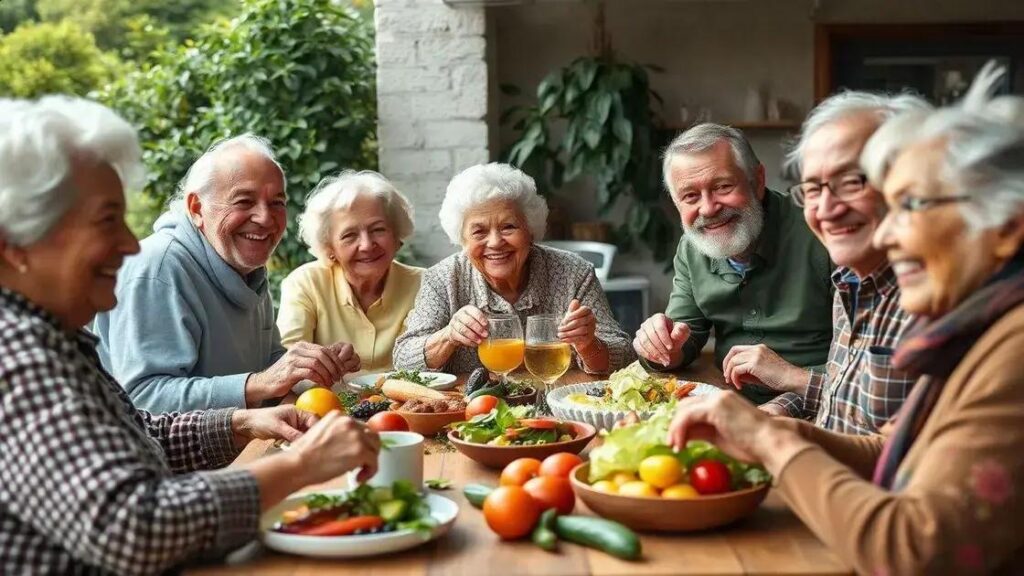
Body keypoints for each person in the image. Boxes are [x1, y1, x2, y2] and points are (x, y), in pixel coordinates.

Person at [0, 96, 380, 575]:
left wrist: (239, 424)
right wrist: (298, 466)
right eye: (105, 220)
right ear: (14, 246)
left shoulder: (52, 334)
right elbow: (133, 527)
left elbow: (135, 426)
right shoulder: (17, 355)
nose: (130, 243)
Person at [666, 77, 1024, 574]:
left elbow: (915, 552)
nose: (890, 233)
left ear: (1006, 227)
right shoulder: (930, 307)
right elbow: (891, 446)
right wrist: (758, 429)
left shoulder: (1005, 341)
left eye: (910, 205)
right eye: (812, 188)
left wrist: (771, 441)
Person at [93, 134, 359, 413]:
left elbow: (267, 363)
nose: (265, 219)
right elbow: (144, 399)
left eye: (277, 203)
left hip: (234, 447)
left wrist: (311, 366)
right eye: (244, 201)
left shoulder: (243, 262)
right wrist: (259, 383)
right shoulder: (158, 268)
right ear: (197, 208)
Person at [731, 92, 929, 434]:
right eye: (811, 189)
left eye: (851, 181)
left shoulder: (934, 299)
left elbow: (894, 455)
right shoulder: (849, 282)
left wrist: (778, 437)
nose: (825, 209)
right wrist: (777, 410)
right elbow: (845, 402)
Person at [633, 123, 833, 404]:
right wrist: (662, 345)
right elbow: (686, 337)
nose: (709, 208)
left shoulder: (823, 230)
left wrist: (790, 381)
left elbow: (867, 372)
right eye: (690, 196)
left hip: (824, 407)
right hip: (729, 401)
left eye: (723, 186)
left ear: (758, 180)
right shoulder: (692, 249)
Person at [393, 162, 633, 374]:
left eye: (508, 227)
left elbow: (623, 356)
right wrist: (448, 336)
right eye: (479, 231)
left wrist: (588, 344)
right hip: (472, 415)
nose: (496, 242)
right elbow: (404, 360)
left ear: (530, 230)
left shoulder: (574, 273)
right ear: (462, 240)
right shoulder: (442, 279)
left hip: (557, 409)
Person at [276, 171, 422, 372]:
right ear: (329, 248)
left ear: (397, 235)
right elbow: (287, 362)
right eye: (349, 235)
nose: (367, 245)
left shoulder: (424, 284)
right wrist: (324, 363)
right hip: (325, 402)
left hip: (406, 403)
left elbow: (431, 365)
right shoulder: (305, 283)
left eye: (378, 229)